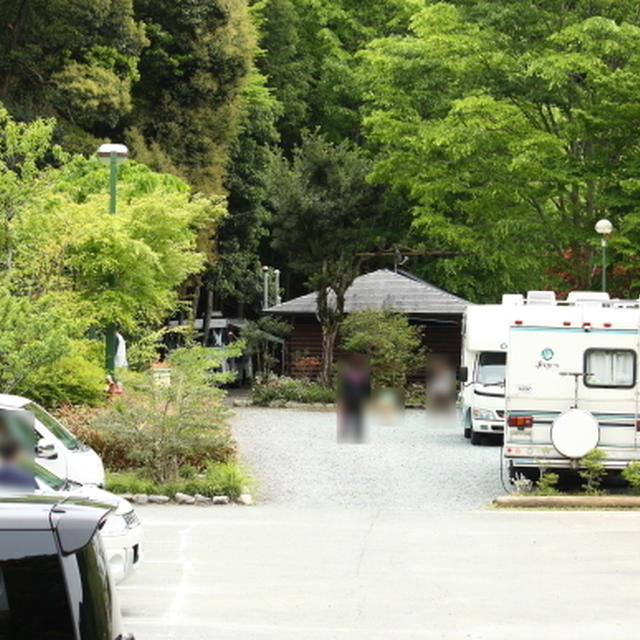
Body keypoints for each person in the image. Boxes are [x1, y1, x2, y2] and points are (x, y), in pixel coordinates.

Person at [337, 353, 371, 443]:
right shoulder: (364, 374)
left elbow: (343, 387)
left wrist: (341, 397)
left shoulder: (347, 374)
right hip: (359, 397)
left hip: (348, 397)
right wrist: (367, 397)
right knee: (358, 415)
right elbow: (367, 387)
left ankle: (345, 433)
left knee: (347, 415)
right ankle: (358, 434)